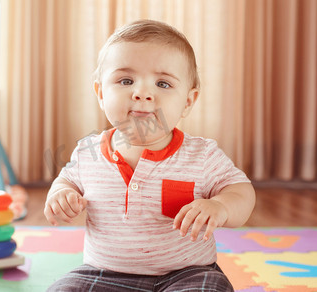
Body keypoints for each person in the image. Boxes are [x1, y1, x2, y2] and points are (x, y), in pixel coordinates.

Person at [44, 19, 255, 291]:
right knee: (64, 288)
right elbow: (66, 181)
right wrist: (60, 194)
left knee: (209, 287)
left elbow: (241, 192)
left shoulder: (202, 155)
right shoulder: (88, 152)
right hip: (104, 273)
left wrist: (221, 206)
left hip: (186, 275)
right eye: (126, 80)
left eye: (163, 84)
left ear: (188, 101)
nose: (142, 93)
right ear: (100, 92)